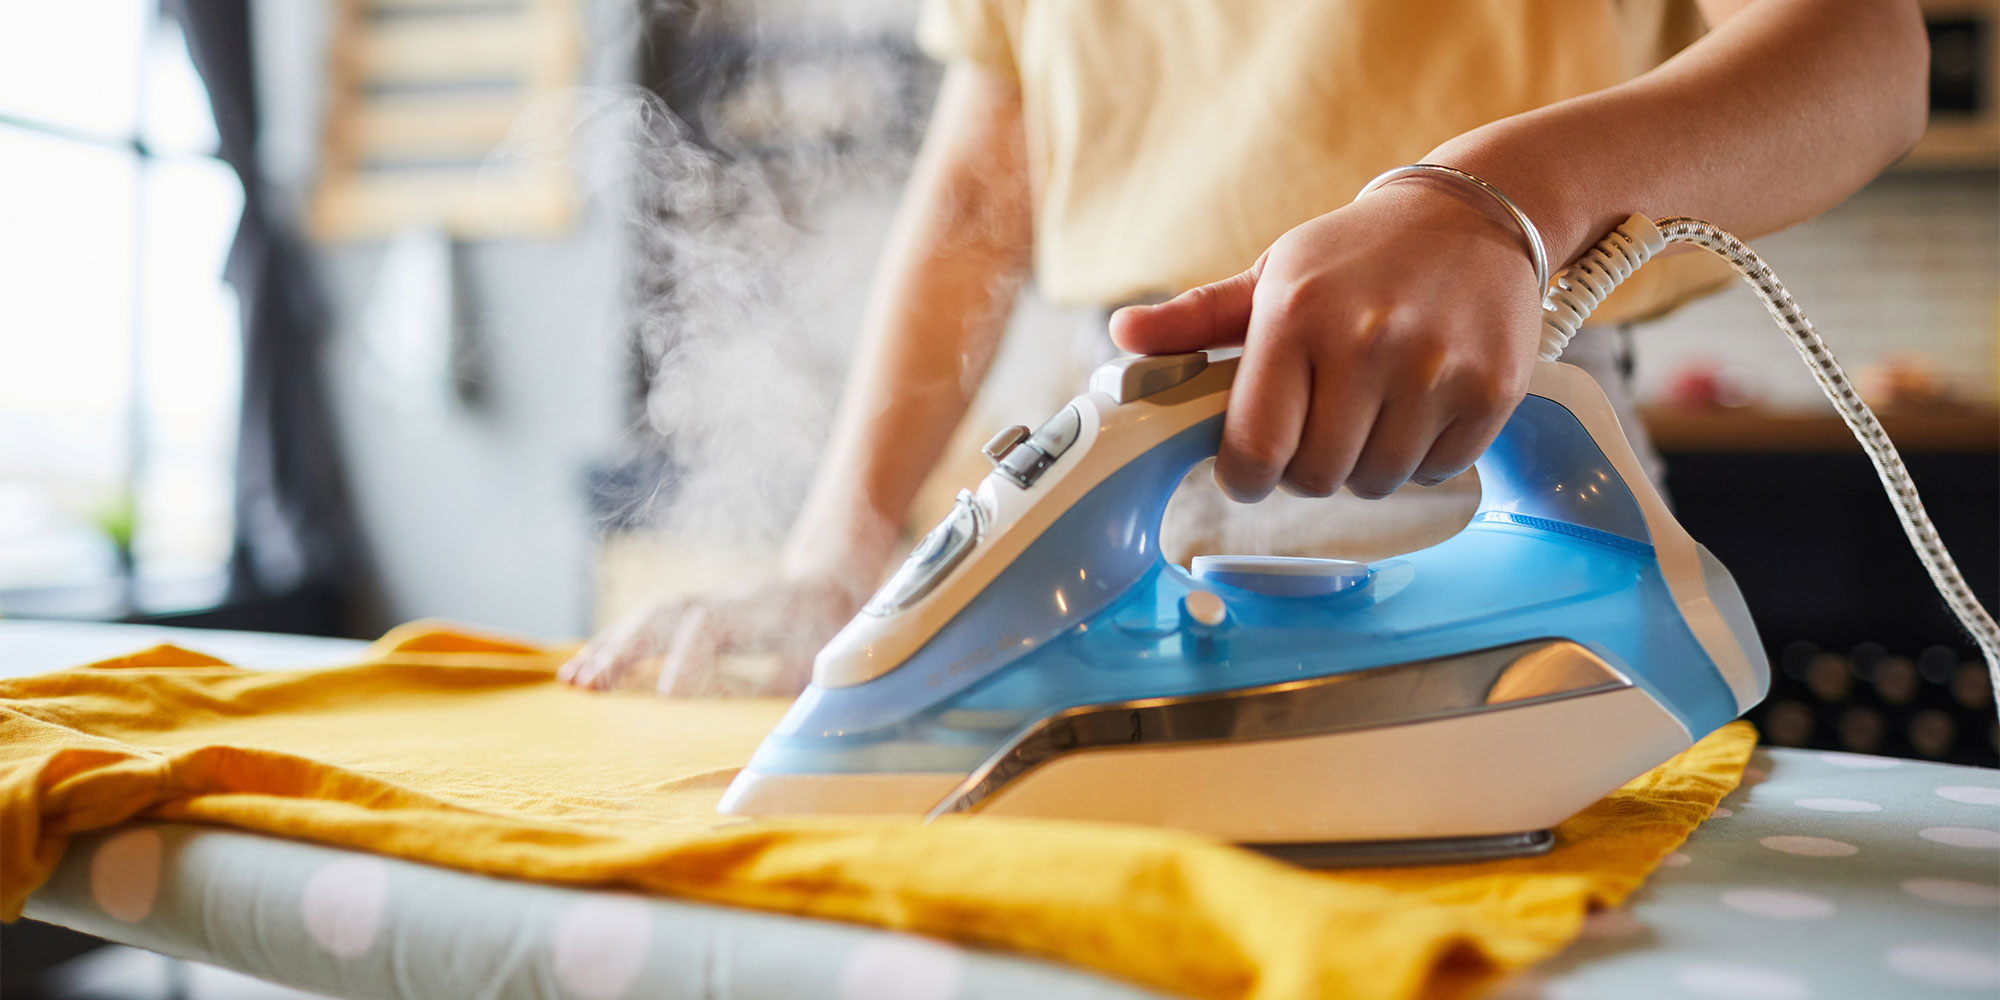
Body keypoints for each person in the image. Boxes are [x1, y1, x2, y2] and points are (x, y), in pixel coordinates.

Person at [561, 0, 1928, 695]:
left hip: (1483, 420)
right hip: (1123, 435)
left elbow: (1865, 47)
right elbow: (980, 200)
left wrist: (1496, 205)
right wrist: (839, 554)